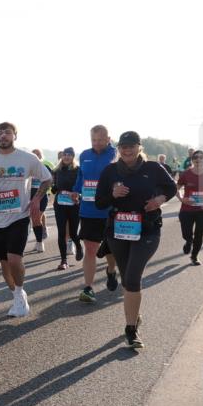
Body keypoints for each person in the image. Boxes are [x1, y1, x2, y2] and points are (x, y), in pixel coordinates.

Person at [95, 132, 176, 349]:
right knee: (126, 278)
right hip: (118, 230)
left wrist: (159, 199)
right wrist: (113, 194)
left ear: (139, 147)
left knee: (132, 278)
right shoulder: (110, 171)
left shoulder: (153, 168)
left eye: (131, 146)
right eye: (123, 146)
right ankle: (134, 316)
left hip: (147, 230)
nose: (127, 150)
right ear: (118, 148)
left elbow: (172, 188)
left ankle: (131, 329)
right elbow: (99, 203)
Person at [0, 123, 52, 317]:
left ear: (15, 136)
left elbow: (47, 178)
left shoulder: (27, 158)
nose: (3, 136)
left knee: (15, 259)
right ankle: (17, 294)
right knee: (4, 263)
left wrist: (36, 199)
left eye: (7, 132)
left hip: (19, 216)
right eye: (0, 132)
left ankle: (19, 293)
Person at [72, 125, 119, 303]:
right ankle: (88, 287)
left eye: (100, 140)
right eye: (93, 140)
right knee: (90, 249)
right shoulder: (84, 155)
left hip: (109, 210)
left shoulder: (116, 154)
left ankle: (111, 270)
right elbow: (80, 177)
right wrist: (76, 191)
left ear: (108, 138)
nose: (97, 143)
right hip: (88, 209)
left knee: (111, 248)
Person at [176, 149, 203, 266]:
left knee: (199, 234)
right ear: (192, 160)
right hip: (186, 209)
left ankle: (194, 256)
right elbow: (176, 188)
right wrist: (181, 199)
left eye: (201, 157)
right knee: (186, 233)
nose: (198, 159)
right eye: (195, 158)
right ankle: (188, 241)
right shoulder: (185, 174)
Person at [51, 148, 83, 270]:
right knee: (61, 233)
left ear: (73, 157)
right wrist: (54, 187)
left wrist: (78, 195)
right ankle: (63, 260)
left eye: (69, 155)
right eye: (65, 155)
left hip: (74, 204)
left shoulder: (78, 170)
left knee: (74, 233)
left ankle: (78, 246)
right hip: (60, 204)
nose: (67, 157)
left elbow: (82, 187)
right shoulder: (56, 170)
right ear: (62, 156)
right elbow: (55, 187)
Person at [29, 148, 53, 253]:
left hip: (42, 196)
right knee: (34, 220)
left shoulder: (45, 167)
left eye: (37, 154)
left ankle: (40, 242)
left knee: (36, 218)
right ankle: (39, 239)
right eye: (33, 154)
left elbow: (50, 180)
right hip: (30, 196)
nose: (36, 155)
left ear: (41, 156)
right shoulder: (28, 168)